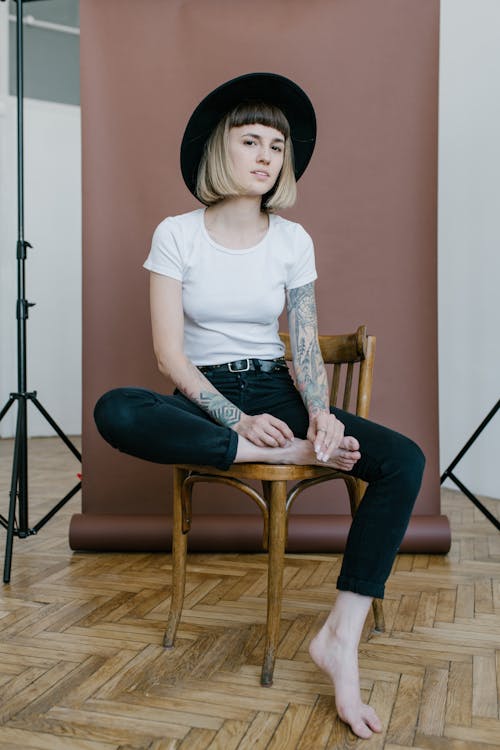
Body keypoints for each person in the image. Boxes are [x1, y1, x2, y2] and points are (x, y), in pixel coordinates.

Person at [94, 72, 425, 739]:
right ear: (223, 149)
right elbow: (170, 357)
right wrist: (237, 422)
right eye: (253, 141)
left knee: (404, 460)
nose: (268, 155)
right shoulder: (176, 234)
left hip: (277, 387)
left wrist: (322, 414)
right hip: (206, 396)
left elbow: (303, 347)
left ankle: (342, 636)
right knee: (117, 409)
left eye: (278, 145)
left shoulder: (291, 240)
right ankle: (266, 447)